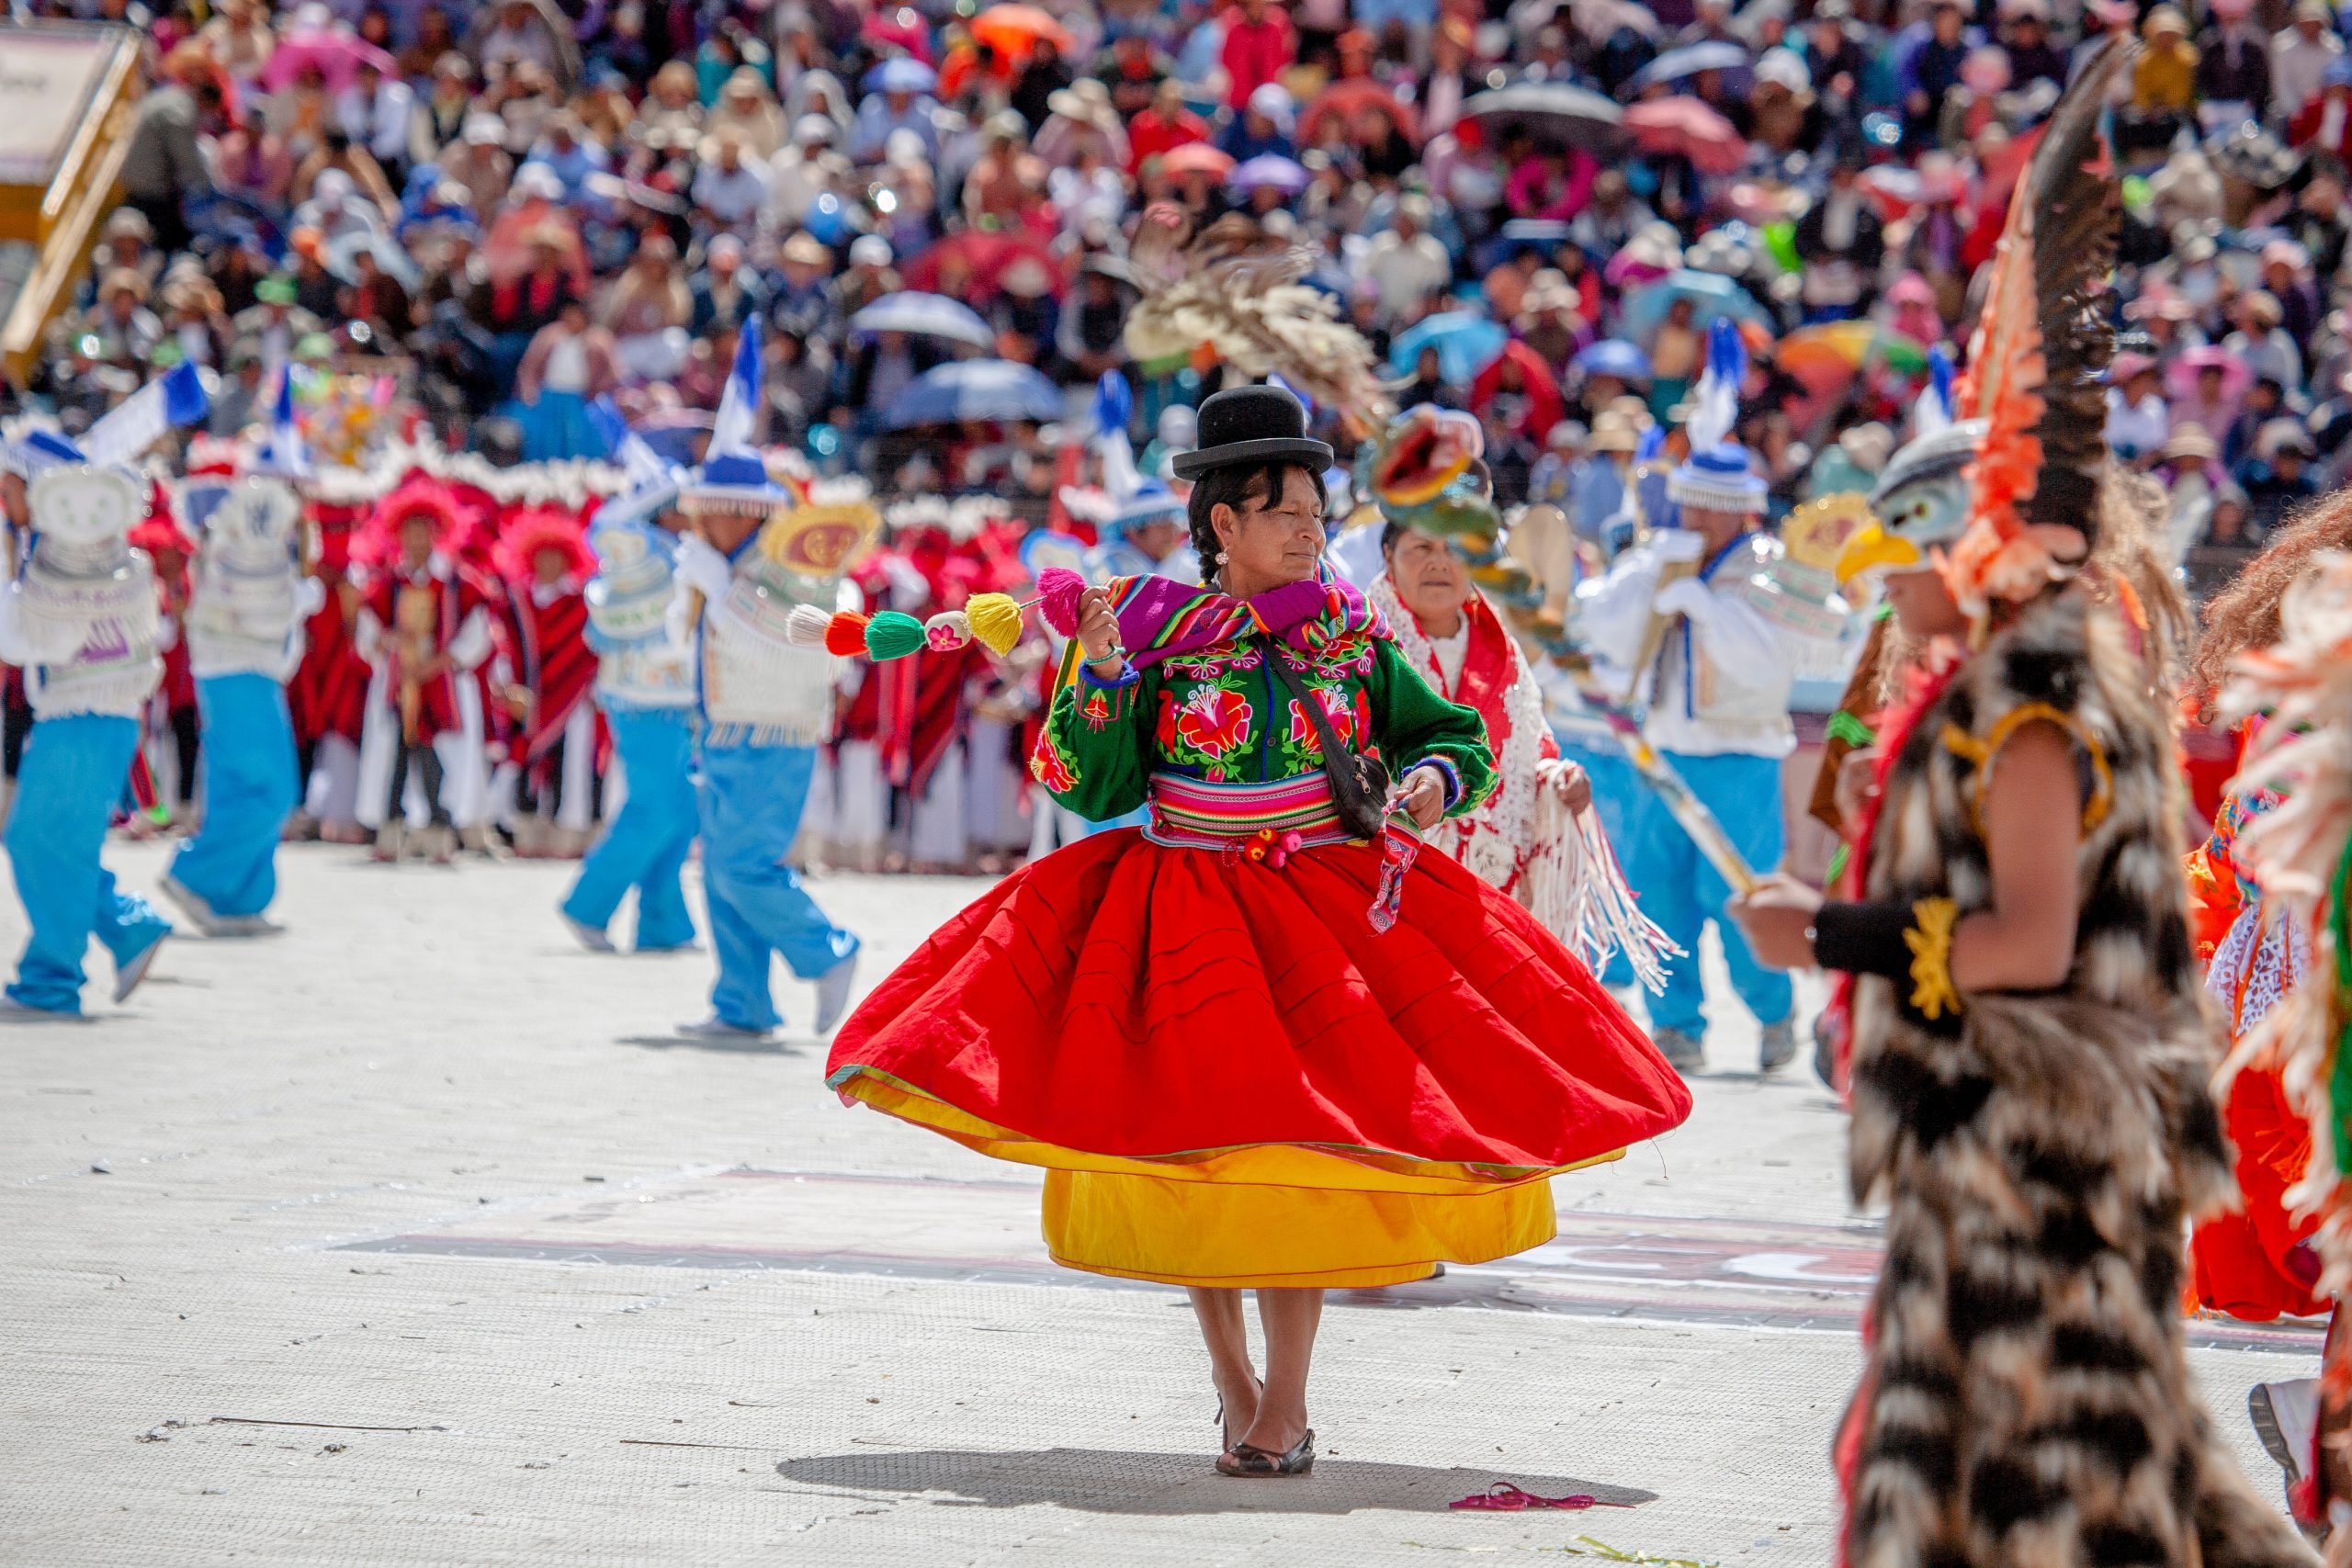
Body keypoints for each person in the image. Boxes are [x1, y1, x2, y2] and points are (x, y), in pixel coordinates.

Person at [825, 384, 1690, 1476]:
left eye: (1317, 514)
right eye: (1285, 512)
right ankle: (1233, 1381)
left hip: (1325, 908)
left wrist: (1425, 782)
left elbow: (1453, 737)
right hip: (1185, 901)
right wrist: (1090, 673)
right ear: (1221, 524)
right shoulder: (1147, 637)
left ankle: (1285, 1401)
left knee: (1297, 1154)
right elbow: (1090, 785)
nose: (1309, 533)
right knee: (1205, 1149)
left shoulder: (1345, 632)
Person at [1729, 50, 2315, 1562]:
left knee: (2030, 1481)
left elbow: (2032, 938)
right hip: (2013, 1147)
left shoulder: (2035, 708)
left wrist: (1832, 932)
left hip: (2038, 1162)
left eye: (1911, 545)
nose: (1892, 577)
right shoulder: (1996, 687)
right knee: (2072, 1478)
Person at [1575, 431, 1817, 1073]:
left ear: (1741, 509)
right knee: (1659, 895)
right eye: (1690, 505)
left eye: (1710, 507)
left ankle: (1774, 1011)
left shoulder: (1770, 564)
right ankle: (1677, 1025)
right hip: (1661, 757)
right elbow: (1598, 622)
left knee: (1736, 896)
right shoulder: (1666, 557)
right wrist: (1656, 572)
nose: (1696, 519)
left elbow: (1770, 662)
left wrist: (1705, 607)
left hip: (1740, 761)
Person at [666, 326, 859, 1040]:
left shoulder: (789, 569)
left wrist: (720, 591)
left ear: (743, 511)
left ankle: (827, 949)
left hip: (773, 732)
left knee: (743, 866)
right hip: (723, 730)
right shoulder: (720, 564)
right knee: (720, 873)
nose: (700, 519)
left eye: (711, 507)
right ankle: (742, 1002)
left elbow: (800, 640)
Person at [0, 456, 174, 1019]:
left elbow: (23, 644)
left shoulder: (75, 561)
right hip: (86, 719)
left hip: (85, 717)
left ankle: (54, 975)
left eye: (14, 485)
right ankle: (124, 926)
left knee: (37, 839)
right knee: (49, 841)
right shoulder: (70, 556)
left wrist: (12, 564)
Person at [160, 472, 316, 937]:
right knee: (272, 793)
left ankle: (235, 901)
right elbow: (268, 603)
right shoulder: (249, 539)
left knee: (236, 791)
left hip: (239, 674)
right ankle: (195, 875)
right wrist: (303, 582)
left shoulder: (237, 540)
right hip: (241, 674)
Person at [560, 464, 700, 954]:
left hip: (677, 702)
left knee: (682, 812)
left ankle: (663, 923)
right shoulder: (640, 556)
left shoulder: (672, 556)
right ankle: (587, 904)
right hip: (644, 703)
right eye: (684, 504)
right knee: (656, 807)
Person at [354, 476, 495, 863]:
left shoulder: (459, 582)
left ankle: (439, 833)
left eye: (424, 530)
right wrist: (387, 642)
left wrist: (439, 663)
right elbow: (368, 632)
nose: (417, 539)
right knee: (395, 758)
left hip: (441, 684)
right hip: (399, 683)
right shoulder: (388, 582)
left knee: (438, 759)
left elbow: (476, 635)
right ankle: (390, 832)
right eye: (409, 531)